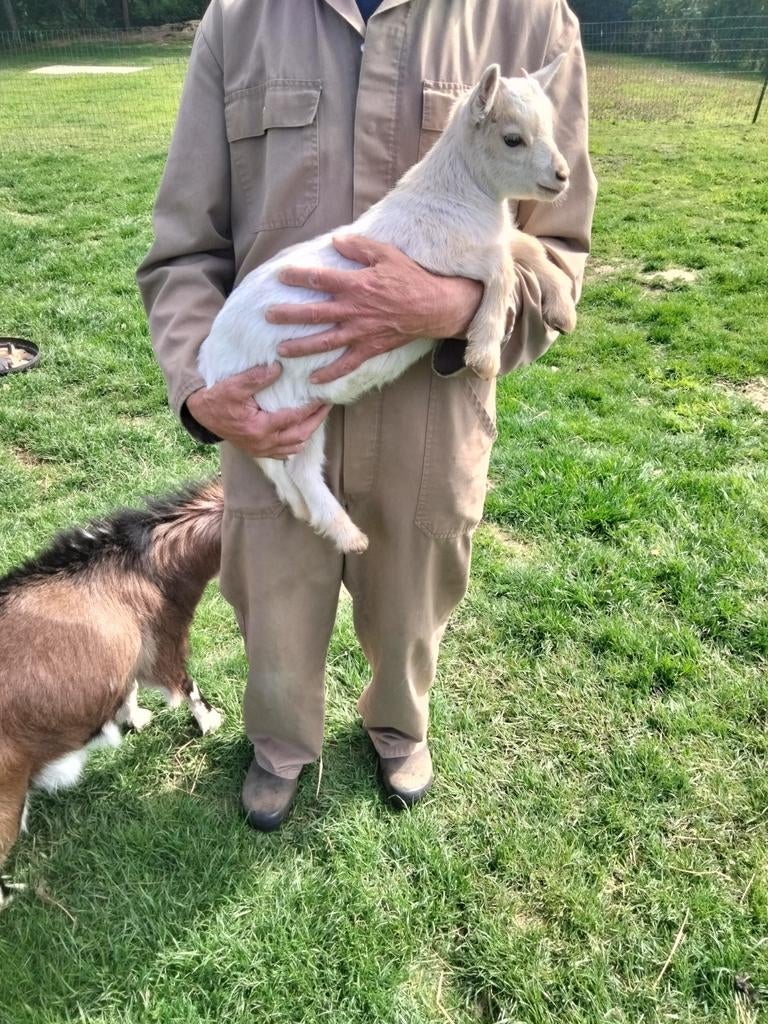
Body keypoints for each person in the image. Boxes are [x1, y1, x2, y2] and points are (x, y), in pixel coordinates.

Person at [137, 0, 597, 830]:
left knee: (414, 600)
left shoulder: (529, 24)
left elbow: (558, 261)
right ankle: (279, 745)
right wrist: (202, 393)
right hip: (271, 406)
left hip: (431, 411)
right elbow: (183, 251)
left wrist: (447, 305)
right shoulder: (239, 22)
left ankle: (398, 727)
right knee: (269, 601)